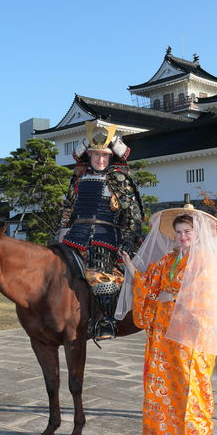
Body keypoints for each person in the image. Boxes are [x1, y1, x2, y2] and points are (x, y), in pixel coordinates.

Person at [118, 204, 217, 435]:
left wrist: (173, 296)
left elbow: (205, 297)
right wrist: (131, 267)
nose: (183, 237)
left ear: (197, 233)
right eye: (179, 232)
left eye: (187, 232)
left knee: (188, 383)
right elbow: (148, 284)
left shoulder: (202, 261)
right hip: (163, 333)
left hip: (189, 333)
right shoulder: (170, 258)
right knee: (163, 384)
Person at [56, 120, 143, 339]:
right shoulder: (79, 177)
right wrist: (62, 229)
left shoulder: (119, 178)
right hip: (76, 234)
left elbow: (132, 214)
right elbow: (69, 206)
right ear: (89, 156)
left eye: (105, 155)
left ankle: (106, 321)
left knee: (99, 274)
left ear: (111, 157)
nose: (100, 159)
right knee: (55, 269)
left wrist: (127, 241)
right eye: (96, 155)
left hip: (105, 235)